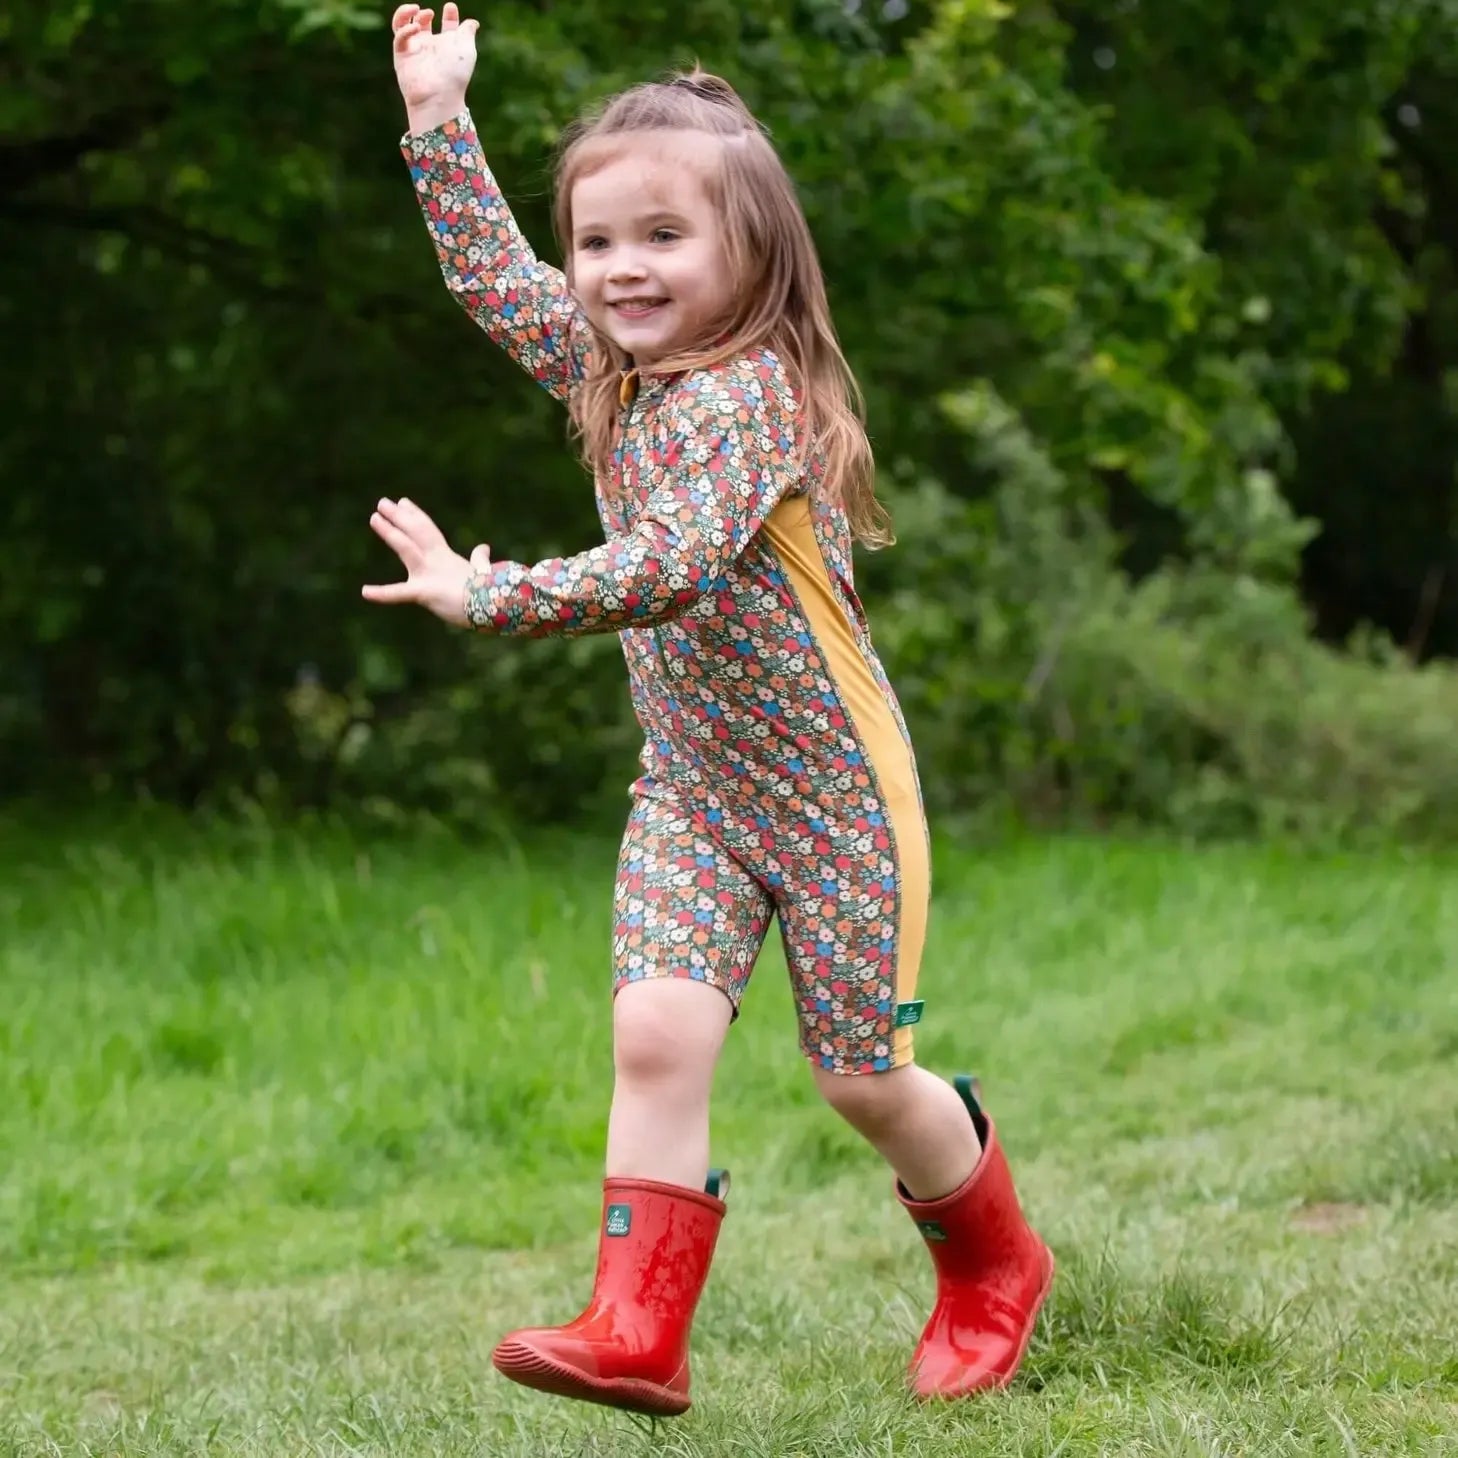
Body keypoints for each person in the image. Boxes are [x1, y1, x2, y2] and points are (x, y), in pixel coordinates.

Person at [366, 1, 1054, 1418]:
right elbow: (494, 279)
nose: (619, 268)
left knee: (862, 1081)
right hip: (692, 790)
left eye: (661, 239)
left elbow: (671, 569)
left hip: (838, 800)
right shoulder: (609, 367)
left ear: (750, 253)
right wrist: (438, 113)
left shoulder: (747, 398)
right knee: (656, 1035)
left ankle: (993, 1262)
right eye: (599, 240)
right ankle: (635, 1330)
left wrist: (487, 594)